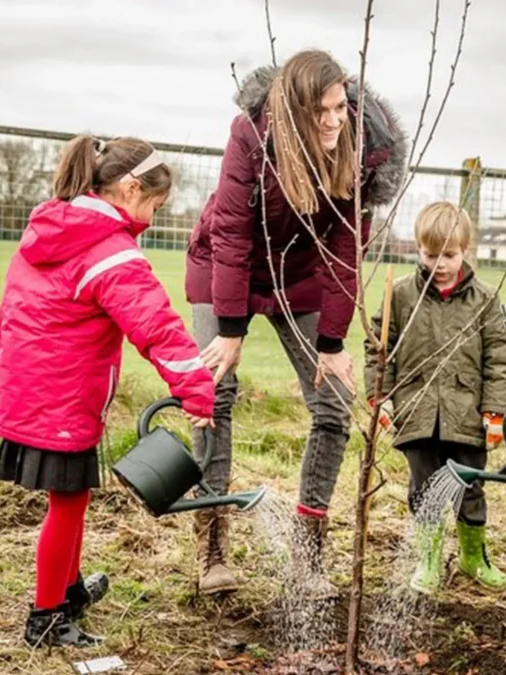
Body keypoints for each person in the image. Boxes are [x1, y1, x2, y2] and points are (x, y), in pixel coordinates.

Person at [185, 49, 407, 595]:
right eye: (322, 111)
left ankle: (307, 557)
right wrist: (231, 330)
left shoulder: (357, 147)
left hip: (306, 273)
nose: (335, 120)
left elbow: (345, 248)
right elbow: (233, 233)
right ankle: (212, 546)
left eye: (340, 107)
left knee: (332, 404)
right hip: (225, 265)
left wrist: (331, 343)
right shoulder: (250, 134)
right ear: (291, 110)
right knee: (212, 395)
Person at [0, 135, 215, 647]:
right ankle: (46, 619)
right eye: (155, 205)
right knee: (67, 502)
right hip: (62, 399)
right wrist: (196, 389)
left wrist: (0, 379)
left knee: (73, 495)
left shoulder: (52, 228)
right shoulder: (108, 251)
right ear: (130, 188)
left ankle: (66, 589)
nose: (153, 219)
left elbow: (10, 314)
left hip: (32, 389)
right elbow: (157, 327)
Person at [366, 201, 506, 594]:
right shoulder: (399, 295)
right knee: (424, 488)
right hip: (416, 412)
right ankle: (428, 560)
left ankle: (472, 556)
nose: (439, 264)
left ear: (465, 250)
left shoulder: (485, 300)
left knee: (470, 487)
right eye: (431, 255)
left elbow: (498, 357)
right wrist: (379, 397)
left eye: (448, 255)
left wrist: (494, 410)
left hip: (466, 414)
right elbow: (379, 350)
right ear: (418, 249)